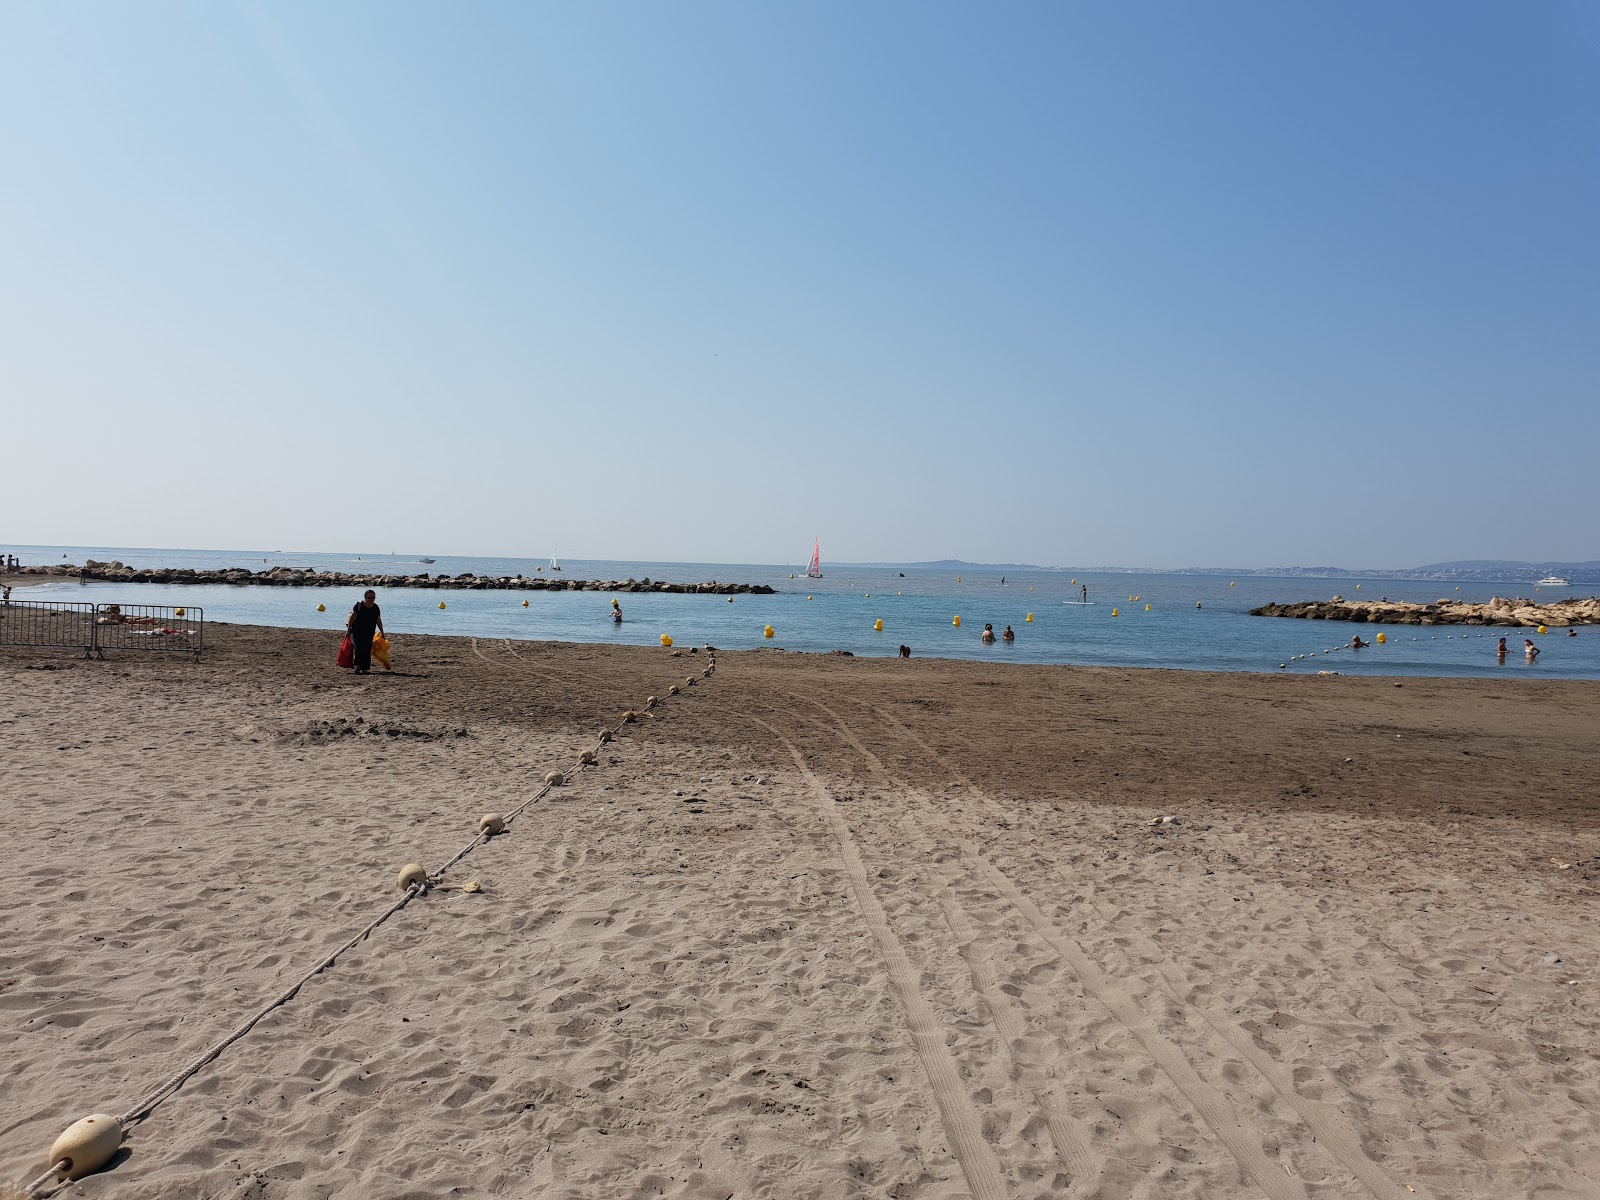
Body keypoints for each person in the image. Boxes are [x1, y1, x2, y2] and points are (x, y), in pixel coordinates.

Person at [346, 590, 384, 675]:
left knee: (367, 649)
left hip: (370, 632)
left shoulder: (376, 607)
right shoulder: (359, 605)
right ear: (365, 597)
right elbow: (351, 618)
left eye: (373, 597)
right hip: (357, 631)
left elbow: (378, 620)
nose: (371, 599)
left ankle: (364, 668)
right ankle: (358, 666)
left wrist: (382, 632)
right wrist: (348, 630)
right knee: (359, 649)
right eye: (369, 597)